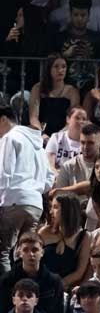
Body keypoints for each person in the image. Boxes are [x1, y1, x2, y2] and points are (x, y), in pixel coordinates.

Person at [0, 106, 50, 275]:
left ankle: (7, 293)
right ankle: (25, 288)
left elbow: (4, 172)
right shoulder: (39, 146)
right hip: (35, 204)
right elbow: (50, 178)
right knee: (25, 252)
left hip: (13, 200)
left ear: (3, 120)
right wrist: (35, 190)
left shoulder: (10, 138)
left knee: (3, 251)